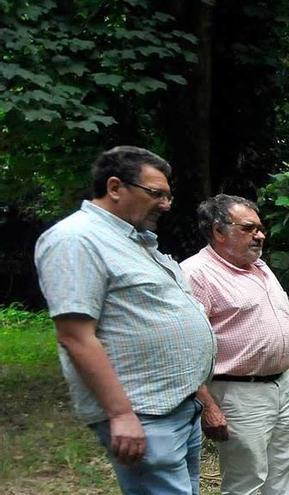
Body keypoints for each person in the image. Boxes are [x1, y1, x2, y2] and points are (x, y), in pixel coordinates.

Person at [33, 146, 217, 494]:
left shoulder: (133, 241)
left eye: (168, 195)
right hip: (144, 411)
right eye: (156, 194)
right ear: (115, 187)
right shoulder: (76, 239)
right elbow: (75, 336)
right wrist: (120, 414)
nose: (166, 204)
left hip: (177, 406)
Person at [181, 194, 289, 495]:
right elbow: (187, 349)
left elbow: (284, 324)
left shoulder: (261, 268)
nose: (260, 235)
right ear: (218, 231)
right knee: (247, 478)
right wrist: (207, 406)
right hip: (238, 391)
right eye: (249, 228)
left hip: (283, 385)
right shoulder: (195, 274)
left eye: (261, 228)